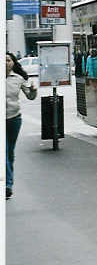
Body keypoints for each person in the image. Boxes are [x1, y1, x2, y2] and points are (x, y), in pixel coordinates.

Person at [6, 52, 37, 199]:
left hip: (14, 119)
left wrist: (33, 90)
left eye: (8, 60)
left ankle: (7, 182)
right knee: (4, 153)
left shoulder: (18, 79)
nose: (6, 63)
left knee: (9, 153)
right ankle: (7, 185)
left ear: (13, 63)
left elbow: (30, 97)